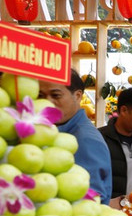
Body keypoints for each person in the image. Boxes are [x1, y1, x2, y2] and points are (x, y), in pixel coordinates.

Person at [38, 70, 112, 204]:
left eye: (56, 95)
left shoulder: (85, 140)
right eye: (40, 95)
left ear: (78, 96)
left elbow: (90, 199)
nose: (47, 102)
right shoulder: (55, 131)